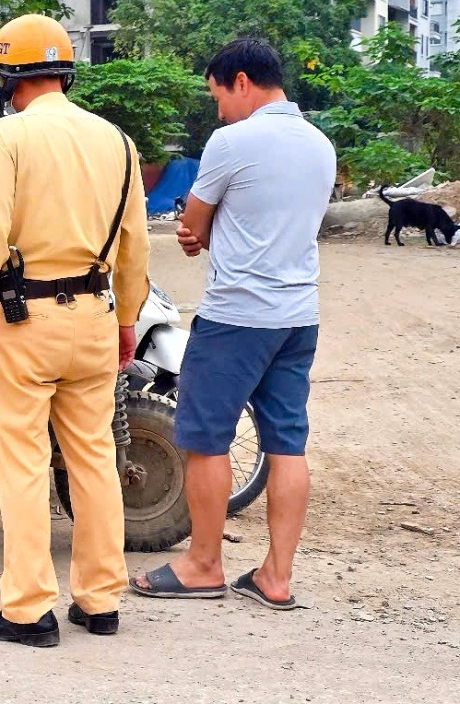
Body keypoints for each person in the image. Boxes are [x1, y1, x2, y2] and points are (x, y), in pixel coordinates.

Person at [0, 14, 150, 647]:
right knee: (93, 459)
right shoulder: (117, 139)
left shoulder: (8, 137)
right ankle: (99, 601)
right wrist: (124, 320)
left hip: (25, 320)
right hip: (94, 317)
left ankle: (28, 610)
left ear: (7, 77)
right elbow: (135, 245)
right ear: (63, 71)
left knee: (25, 461)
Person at [129, 38, 335, 611]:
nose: (217, 109)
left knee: (205, 439)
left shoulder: (232, 141)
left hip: (237, 317)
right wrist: (212, 232)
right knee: (288, 444)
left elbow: (192, 222)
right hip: (298, 317)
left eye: (217, 94)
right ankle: (277, 576)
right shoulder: (320, 145)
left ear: (240, 81)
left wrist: (202, 232)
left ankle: (202, 564)